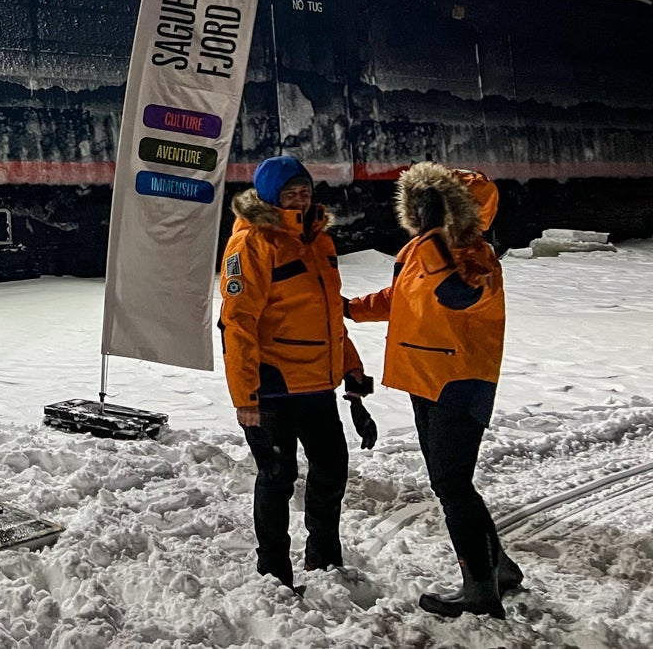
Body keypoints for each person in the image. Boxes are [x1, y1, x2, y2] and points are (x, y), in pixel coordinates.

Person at [345, 162, 519, 619]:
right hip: (426, 377)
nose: (421, 210)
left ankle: (480, 589)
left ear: (456, 209)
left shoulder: (473, 252)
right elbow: (401, 297)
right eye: (418, 201)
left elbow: (462, 294)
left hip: (458, 381)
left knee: (451, 484)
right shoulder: (422, 251)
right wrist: (349, 309)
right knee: (452, 482)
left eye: (431, 202)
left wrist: (443, 251)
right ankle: (498, 569)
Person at [220, 155, 376, 591]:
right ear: (270, 195)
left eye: (305, 190)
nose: (301, 198)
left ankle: (324, 557)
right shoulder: (252, 243)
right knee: (277, 475)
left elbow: (329, 317)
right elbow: (237, 324)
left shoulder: (318, 241)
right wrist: (245, 397)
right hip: (272, 386)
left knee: (332, 467)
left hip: (316, 385)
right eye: (290, 192)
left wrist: (352, 369)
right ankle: (273, 571)